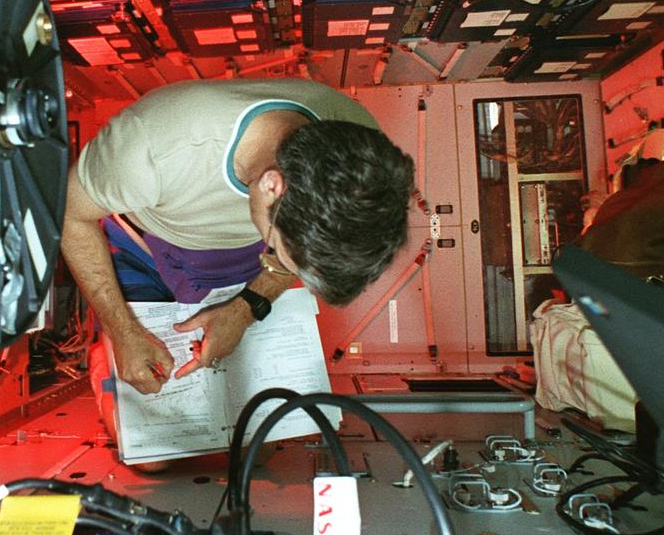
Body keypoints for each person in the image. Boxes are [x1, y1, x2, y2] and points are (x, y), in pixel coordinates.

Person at [62, 79, 415, 406]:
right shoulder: (153, 146)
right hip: (142, 244)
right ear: (272, 185)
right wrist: (122, 332)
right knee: (137, 415)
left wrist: (246, 308)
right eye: (280, 254)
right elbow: (70, 215)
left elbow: (297, 250)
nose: (280, 267)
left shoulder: (361, 149)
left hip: (238, 254)